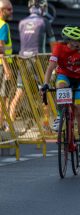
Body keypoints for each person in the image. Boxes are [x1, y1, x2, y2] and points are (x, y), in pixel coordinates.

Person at [40, 25, 80, 167]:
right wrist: (45, 83)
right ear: (71, 41)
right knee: (60, 86)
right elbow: (51, 67)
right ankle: (59, 115)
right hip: (64, 76)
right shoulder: (59, 47)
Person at [0, 0, 13, 132]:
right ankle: (0, 124)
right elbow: (1, 48)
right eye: (8, 9)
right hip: (2, 65)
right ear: (1, 11)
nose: (11, 12)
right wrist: (7, 68)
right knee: (3, 97)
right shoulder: (3, 25)